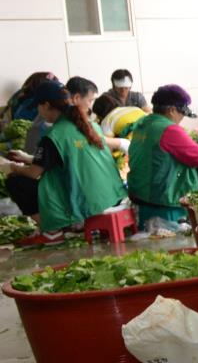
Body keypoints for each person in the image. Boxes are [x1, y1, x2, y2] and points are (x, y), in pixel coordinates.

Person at [0, 78, 126, 246]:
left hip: (85, 206)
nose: (39, 111)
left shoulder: (54, 135)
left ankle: (51, 231)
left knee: (16, 182)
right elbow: (70, 158)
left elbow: (34, 173)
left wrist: (10, 167)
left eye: (38, 107)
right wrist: (28, 158)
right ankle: (67, 224)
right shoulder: (90, 126)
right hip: (113, 197)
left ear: (45, 105)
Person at [126, 84, 198, 230]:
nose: (182, 118)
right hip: (158, 195)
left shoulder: (143, 123)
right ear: (171, 110)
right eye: (182, 113)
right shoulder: (169, 129)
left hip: (138, 192)